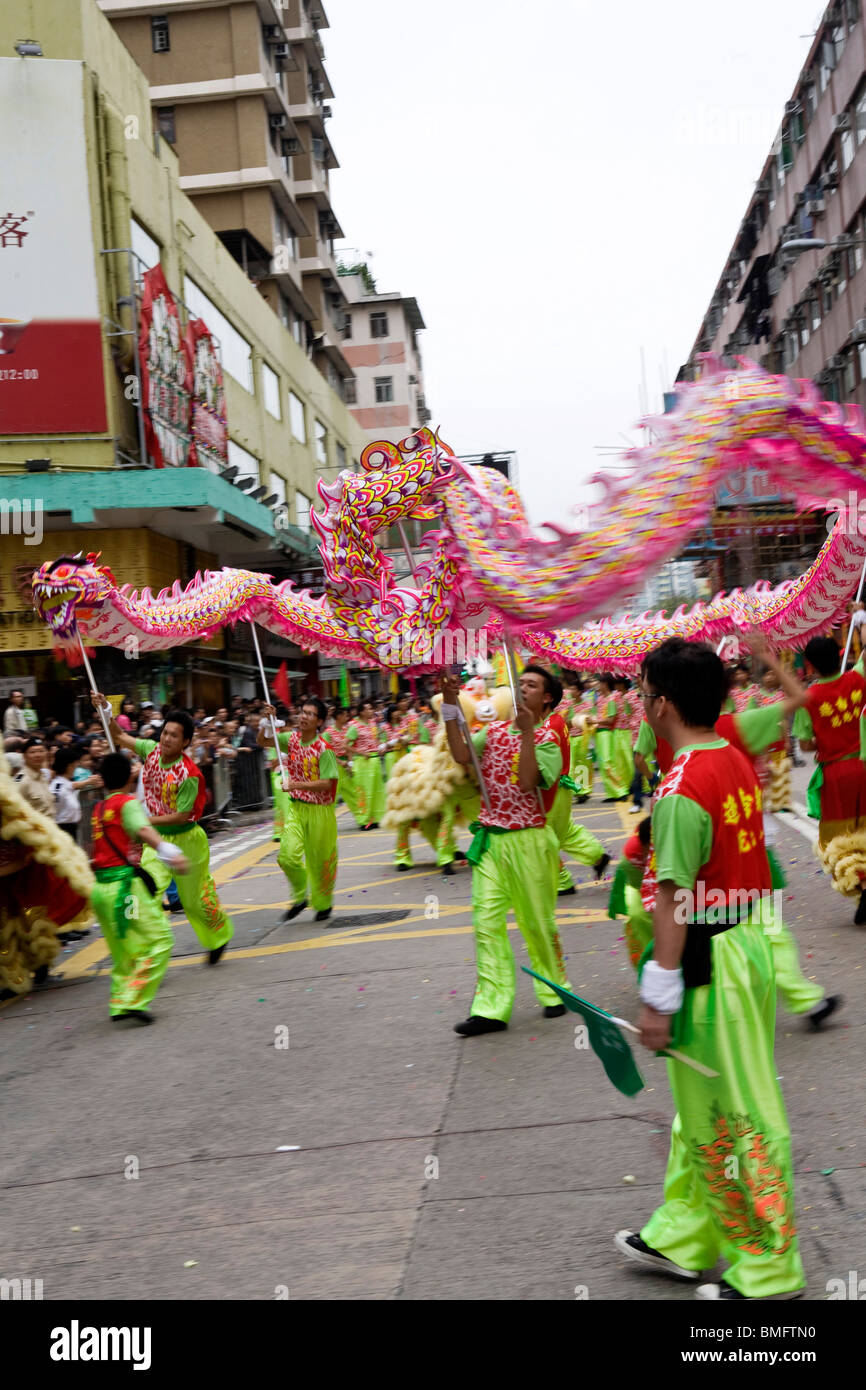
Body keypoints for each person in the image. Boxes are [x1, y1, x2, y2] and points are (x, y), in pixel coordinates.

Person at [616, 638, 805, 1301]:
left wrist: (655, 997)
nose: (641, 703)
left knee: (744, 1111)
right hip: (745, 942)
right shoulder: (729, 758)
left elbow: (673, 900)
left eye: (643, 692)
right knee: (705, 1099)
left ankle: (769, 1267)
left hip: (712, 956)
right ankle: (685, 1231)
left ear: (662, 704)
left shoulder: (680, 786)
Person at [441, 664, 570, 1035]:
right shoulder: (493, 731)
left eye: (531, 685)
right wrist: (450, 705)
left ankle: (553, 989)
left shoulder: (548, 739)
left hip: (530, 839)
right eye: (520, 683)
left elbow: (529, 781)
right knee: (486, 923)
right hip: (492, 840)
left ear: (546, 698)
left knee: (536, 924)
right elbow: (462, 754)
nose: (522, 688)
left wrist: (527, 735)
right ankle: (491, 1008)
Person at [92, 694, 233, 964]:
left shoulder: (190, 774)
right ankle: (143, 950)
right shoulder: (150, 750)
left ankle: (218, 936)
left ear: (186, 742)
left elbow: (181, 816)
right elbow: (119, 736)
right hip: (156, 841)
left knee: (193, 902)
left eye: (174, 736)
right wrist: (106, 710)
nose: (167, 739)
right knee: (142, 891)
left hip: (187, 840)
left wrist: (143, 821)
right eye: (165, 733)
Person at [89, 751, 189, 1023]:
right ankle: (135, 999)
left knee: (125, 948)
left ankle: (120, 1002)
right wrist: (171, 853)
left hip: (102, 893)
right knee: (159, 940)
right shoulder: (127, 804)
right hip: (126, 893)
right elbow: (143, 830)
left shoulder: (98, 809)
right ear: (130, 776)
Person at [793, 634, 866, 924]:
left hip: (836, 775)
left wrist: (825, 738)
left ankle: (861, 888)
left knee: (843, 840)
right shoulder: (859, 681)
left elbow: (805, 745)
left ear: (810, 666)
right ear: (840, 656)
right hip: (864, 763)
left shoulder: (808, 699)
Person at [258, 698, 338, 923]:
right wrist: (267, 722)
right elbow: (263, 741)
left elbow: (327, 783)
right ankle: (300, 896)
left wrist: (295, 785)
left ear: (319, 721)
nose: (304, 717)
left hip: (320, 811)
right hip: (297, 808)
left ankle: (323, 904)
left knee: (321, 861)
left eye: (310, 714)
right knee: (286, 857)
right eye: (303, 712)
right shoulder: (291, 739)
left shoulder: (325, 750)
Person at [346, 701, 385, 829]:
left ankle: (376, 818)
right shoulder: (355, 726)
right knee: (364, 792)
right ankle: (364, 820)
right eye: (368, 709)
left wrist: (380, 746)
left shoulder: (373, 723)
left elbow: (376, 739)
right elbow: (345, 744)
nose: (371, 711)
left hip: (374, 760)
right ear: (361, 712)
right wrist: (360, 752)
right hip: (363, 763)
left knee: (377, 791)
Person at [594, 674, 632, 801]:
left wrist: (594, 721)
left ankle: (621, 790)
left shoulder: (611, 700)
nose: (597, 685)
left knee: (607, 763)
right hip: (599, 733)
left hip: (606, 734)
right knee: (603, 764)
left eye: (599, 683)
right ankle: (611, 793)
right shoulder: (599, 699)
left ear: (605, 684)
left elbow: (610, 720)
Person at [50, 745, 85, 838]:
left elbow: (72, 785)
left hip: (71, 828)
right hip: (63, 830)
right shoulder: (57, 787)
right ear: (70, 765)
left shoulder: (66, 783)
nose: (77, 766)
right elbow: (55, 810)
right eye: (76, 763)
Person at [15, 738, 55, 818]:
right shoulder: (21, 780)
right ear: (24, 756)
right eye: (32, 752)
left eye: (41, 751)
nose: (38, 755)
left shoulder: (43, 776)